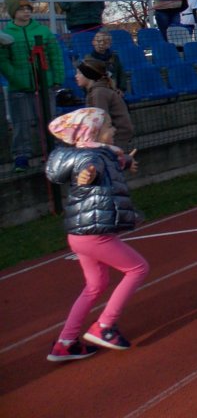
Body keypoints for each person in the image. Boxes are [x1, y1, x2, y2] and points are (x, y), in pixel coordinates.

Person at [44, 107, 148, 362]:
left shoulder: (101, 154)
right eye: (108, 126)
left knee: (95, 285)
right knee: (138, 269)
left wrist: (126, 161)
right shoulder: (91, 159)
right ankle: (104, 326)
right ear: (94, 132)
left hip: (80, 235)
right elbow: (88, 172)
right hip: (94, 235)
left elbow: (112, 162)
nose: (113, 129)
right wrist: (85, 177)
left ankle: (66, 343)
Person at [0, 0, 65, 172]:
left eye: (28, 9)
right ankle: (21, 156)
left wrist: (56, 77)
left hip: (45, 84)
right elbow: (3, 60)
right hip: (19, 87)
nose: (26, 12)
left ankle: (53, 151)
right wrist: (16, 78)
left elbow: (55, 55)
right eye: (22, 9)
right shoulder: (6, 34)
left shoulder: (43, 31)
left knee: (49, 119)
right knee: (21, 123)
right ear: (13, 12)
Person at [76, 57, 133, 150]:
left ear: (88, 75)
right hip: (114, 135)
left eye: (79, 73)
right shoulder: (97, 91)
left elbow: (100, 121)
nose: (76, 76)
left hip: (115, 137)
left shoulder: (99, 93)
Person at [87, 29, 128, 93]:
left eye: (105, 42)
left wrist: (121, 89)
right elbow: (87, 80)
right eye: (99, 41)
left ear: (110, 44)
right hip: (97, 92)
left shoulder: (114, 57)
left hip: (115, 91)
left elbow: (121, 74)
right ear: (93, 42)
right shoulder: (88, 59)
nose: (102, 43)